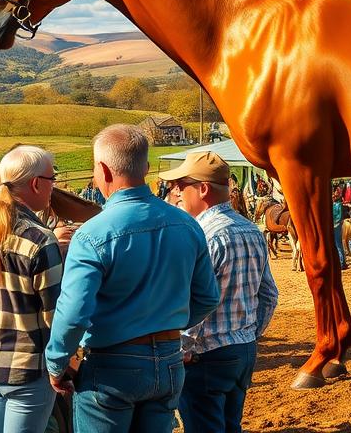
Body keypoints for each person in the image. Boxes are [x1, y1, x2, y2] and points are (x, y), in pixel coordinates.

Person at [44, 125, 220, 433]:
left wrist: (56, 363)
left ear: (103, 170)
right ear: (147, 168)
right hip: (168, 361)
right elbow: (207, 297)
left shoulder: (91, 234)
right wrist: (165, 321)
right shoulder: (188, 225)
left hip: (111, 365)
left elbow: (73, 313)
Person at [158, 151, 278, 433]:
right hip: (242, 350)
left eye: (181, 184)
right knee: (230, 425)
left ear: (202, 188)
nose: (175, 192)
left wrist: (182, 346)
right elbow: (269, 294)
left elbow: (192, 301)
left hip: (206, 356)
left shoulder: (203, 235)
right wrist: (249, 334)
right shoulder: (250, 230)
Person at [0, 146, 64, 433]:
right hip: (28, 368)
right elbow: (56, 315)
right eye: (52, 179)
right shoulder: (40, 240)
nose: (53, 186)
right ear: (36, 183)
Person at [332, 189, 347, 269]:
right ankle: (341, 262)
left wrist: (333, 223)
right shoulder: (333, 204)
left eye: (334, 196)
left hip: (336, 226)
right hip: (334, 225)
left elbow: (339, 216)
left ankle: (342, 263)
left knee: (338, 244)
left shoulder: (338, 205)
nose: (333, 197)